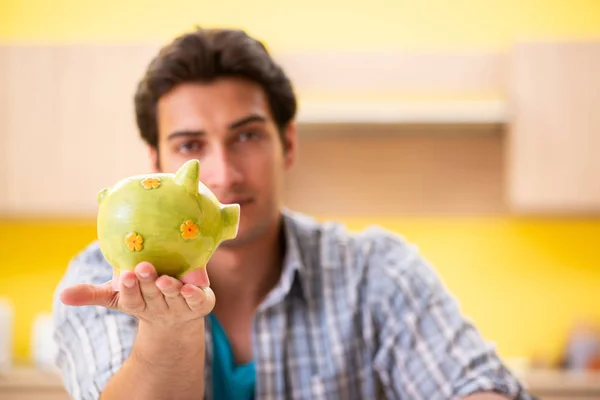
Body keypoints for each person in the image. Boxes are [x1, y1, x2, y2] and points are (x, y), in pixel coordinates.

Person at [52, 27, 536, 400]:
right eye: (190, 145)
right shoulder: (106, 278)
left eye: (246, 136)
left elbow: (474, 384)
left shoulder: (376, 270)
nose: (222, 174)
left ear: (287, 143)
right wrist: (167, 329)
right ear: (155, 165)